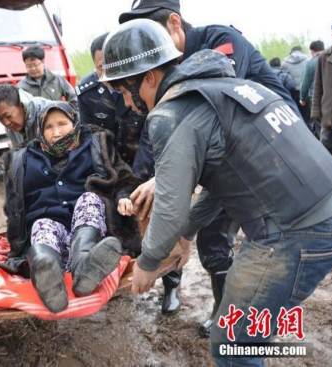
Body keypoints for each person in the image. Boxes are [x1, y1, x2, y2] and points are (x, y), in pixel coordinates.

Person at [102, 19, 332, 367]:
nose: (128, 102)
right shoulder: (229, 89)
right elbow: (227, 185)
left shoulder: (172, 112)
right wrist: (184, 232)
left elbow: (169, 203)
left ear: (148, 78)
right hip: (323, 209)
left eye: (124, 90)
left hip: (295, 232)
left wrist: (149, 262)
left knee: (232, 341)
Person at [118, 0, 298, 333]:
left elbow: (216, 116)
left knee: (215, 236)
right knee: (190, 220)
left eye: (153, 38)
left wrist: (166, 180)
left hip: (273, 154)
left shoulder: (219, 43)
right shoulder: (170, 74)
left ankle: (232, 317)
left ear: (175, 24)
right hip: (238, 160)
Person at [2, 101, 141, 312]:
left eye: (62, 123)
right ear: (39, 130)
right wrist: (17, 247)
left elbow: (124, 178)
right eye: (48, 127)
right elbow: (13, 207)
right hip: (51, 235)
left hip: (91, 233)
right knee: (41, 224)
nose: (56, 132)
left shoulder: (95, 144)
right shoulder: (23, 159)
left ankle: (84, 267)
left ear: (74, 122)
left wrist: (124, 196)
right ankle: (47, 274)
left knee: (90, 199)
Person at [77, 33, 146, 164]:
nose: (108, 73)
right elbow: (88, 135)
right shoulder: (86, 92)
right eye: (102, 67)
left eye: (112, 65)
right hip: (107, 162)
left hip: (140, 159)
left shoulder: (137, 83)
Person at [0, 83, 51, 148]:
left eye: (8, 116)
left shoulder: (48, 114)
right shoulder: (11, 128)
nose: (6, 123)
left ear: (21, 105)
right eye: (0, 118)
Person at [312, 23, 332, 158]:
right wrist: (316, 111)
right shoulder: (323, 57)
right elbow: (317, 86)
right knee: (325, 152)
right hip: (329, 114)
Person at [300, 40, 325, 137]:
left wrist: (302, 98)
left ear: (312, 51)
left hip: (317, 98)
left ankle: (324, 150)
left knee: (320, 126)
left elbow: (306, 83)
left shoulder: (311, 63)